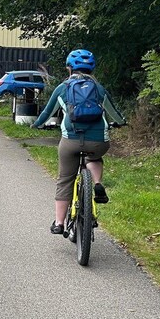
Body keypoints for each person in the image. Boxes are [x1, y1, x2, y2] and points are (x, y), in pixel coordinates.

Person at [31, 49, 127, 235]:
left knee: (65, 179)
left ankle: (59, 223)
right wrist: (121, 122)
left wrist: (37, 125)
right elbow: (114, 112)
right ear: (92, 69)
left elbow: (47, 112)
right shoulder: (99, 89)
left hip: (71, 141)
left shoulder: (63, 88)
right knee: (94, 158)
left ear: (69, 68)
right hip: (98, 141)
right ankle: (97, 183)